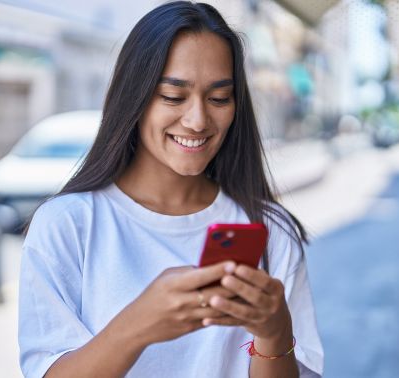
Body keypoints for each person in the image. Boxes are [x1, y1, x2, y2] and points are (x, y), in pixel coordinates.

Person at [18, 2, 323, 377]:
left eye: (218, 98)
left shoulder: (270, 230)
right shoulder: (68, 225)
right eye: (173, 96)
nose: (197, 120)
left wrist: (274, 333)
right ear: (135, 97)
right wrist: (137, 326)